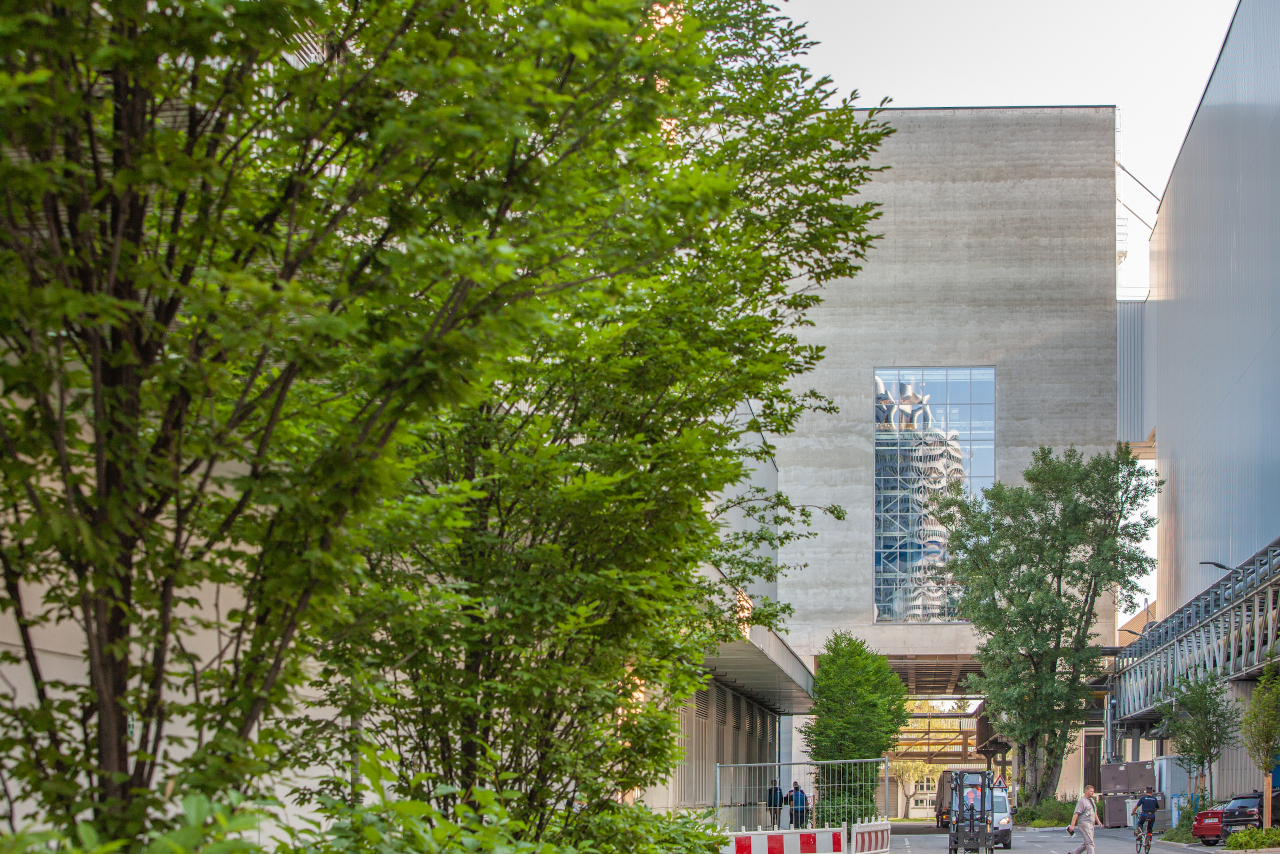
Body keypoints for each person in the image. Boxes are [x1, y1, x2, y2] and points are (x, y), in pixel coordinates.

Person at [1067, 784, 1098, 854]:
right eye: (1091, 791)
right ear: (1086, 791)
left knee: (1087, 842)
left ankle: (1074, 853)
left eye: (1093, 791)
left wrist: (1098, 822)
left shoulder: (1092, 801)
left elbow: (1094, 813)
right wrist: (1072, 825)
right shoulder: (1082, 801)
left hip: (1091, 824)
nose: (1092, 793)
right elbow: (1076, 814)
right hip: (1084, 824)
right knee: (1090, 843)